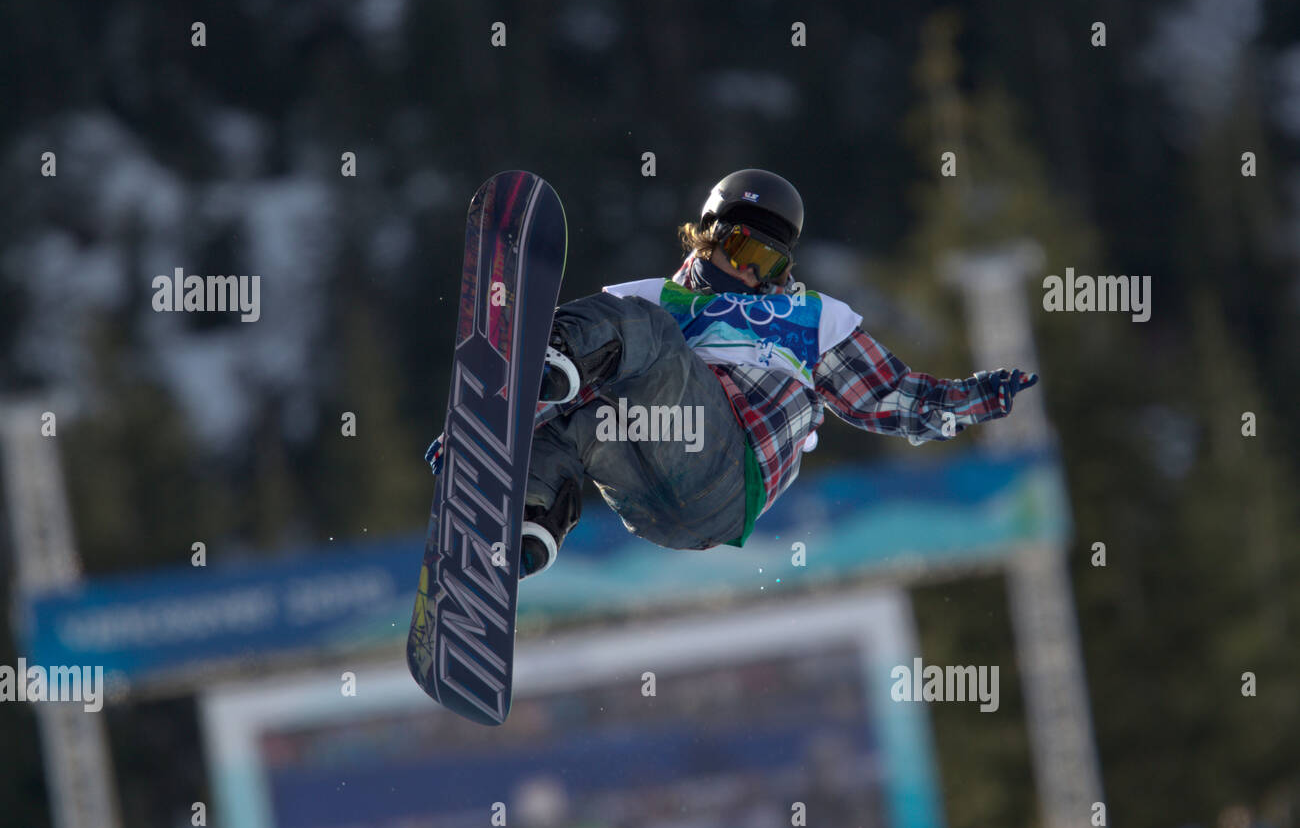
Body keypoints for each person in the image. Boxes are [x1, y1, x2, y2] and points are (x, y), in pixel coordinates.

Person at [426, 168, 1039, 577]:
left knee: (644, 334)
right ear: (708, 238)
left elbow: (889, 398)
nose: (753, 273)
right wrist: (482, 433)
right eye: (745, 251)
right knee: (570, 416)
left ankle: (546, 377)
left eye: (770, 261)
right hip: (648, 492)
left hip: (726, 476)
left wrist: (973, 400)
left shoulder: (809, 318)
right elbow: (565, 391)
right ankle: (528, 525)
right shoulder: (647, 299)